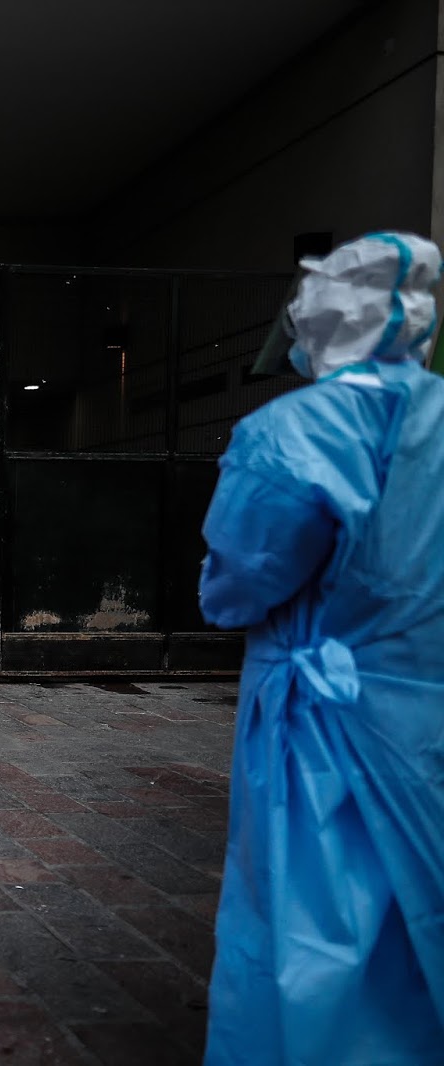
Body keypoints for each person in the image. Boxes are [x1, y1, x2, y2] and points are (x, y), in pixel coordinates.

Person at [199, 231, 444, 1065]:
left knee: (311, 916)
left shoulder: (292, 430)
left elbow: (236, 586)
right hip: (427, 714)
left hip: (321, 727)